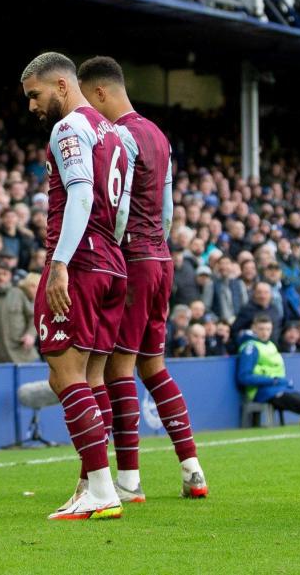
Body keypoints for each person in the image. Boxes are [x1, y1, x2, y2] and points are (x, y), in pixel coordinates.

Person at [77, 56, 207, 504]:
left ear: (99, 93)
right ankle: (192, 469)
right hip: (161, 258)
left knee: (118, 368)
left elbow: (120, 203)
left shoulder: (117, 136)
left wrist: (116, 246)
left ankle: (129, 480)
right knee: (154, 365)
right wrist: (157, 247)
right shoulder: (159, 135)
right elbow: (167, 209)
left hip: (132, 258)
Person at [20, 52, 129, 520]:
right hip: (112, 261)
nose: (32, 106)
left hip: (79, 261)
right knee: (91, 377)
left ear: (61, 86)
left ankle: (102, 491)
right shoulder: (117, 134)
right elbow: (121, 211)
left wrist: (60, 263)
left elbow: (81, 192)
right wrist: (110, 248)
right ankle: (90, 483)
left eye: (34, 94)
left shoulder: (68, 129)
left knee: (65, 376)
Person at [237, 315, 300, 424]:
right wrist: (273, 380)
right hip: (261, 391)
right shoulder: (251, 347)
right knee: (298, 402)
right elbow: (244, 377)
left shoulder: (271, 345)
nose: (265, 332)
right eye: (261, 329)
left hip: (279, 388)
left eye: (268, 329)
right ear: (254, 328)